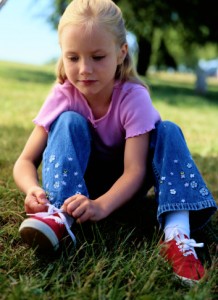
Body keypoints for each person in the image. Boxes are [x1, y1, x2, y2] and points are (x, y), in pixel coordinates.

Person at [13, 0, 217, 285]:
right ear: (63, 54)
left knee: (169, 130)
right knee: (68, 120)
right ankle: (59, 216)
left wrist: (101, 206)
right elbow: (24, 161)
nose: (85, 69)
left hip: (125, 187)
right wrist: (33, 188)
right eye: (73, 58)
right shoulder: (63, 95)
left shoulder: (133, 98)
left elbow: (134, 172)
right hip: (78, 187)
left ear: (121, 53)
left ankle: (176, 234)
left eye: (97, 57)